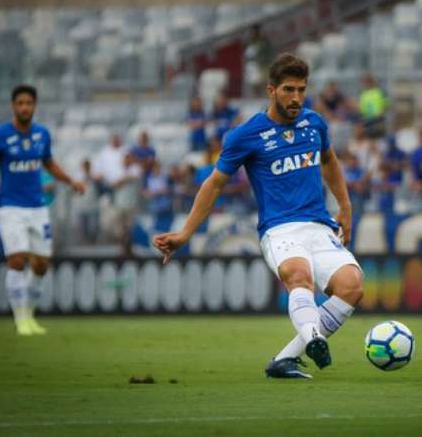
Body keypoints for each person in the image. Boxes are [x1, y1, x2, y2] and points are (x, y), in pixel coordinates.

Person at [153, 53, 363, 379]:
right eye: (288, 90)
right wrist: (185, 233)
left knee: (351, 286)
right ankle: (314, 339)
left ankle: (285, 359)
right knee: (299, 277)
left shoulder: (314, 124)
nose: (296, 98)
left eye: (301, 90)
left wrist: (346, 207)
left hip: (320, 226)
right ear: (271, 90)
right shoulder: (245, 135)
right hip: (279, 230)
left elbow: (329, 162)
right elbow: (214, 185)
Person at [0, 85, 85, 336]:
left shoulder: (42, 135)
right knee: (17, 260)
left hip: (38, 207)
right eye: (20, 103)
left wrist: (70, 180)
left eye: (29, 103)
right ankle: (20, 319)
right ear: (13, 106)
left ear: (35, 105)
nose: (24, 107)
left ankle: (29, 314)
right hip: (11, 207)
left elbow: (49, 163)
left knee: (40, 265)